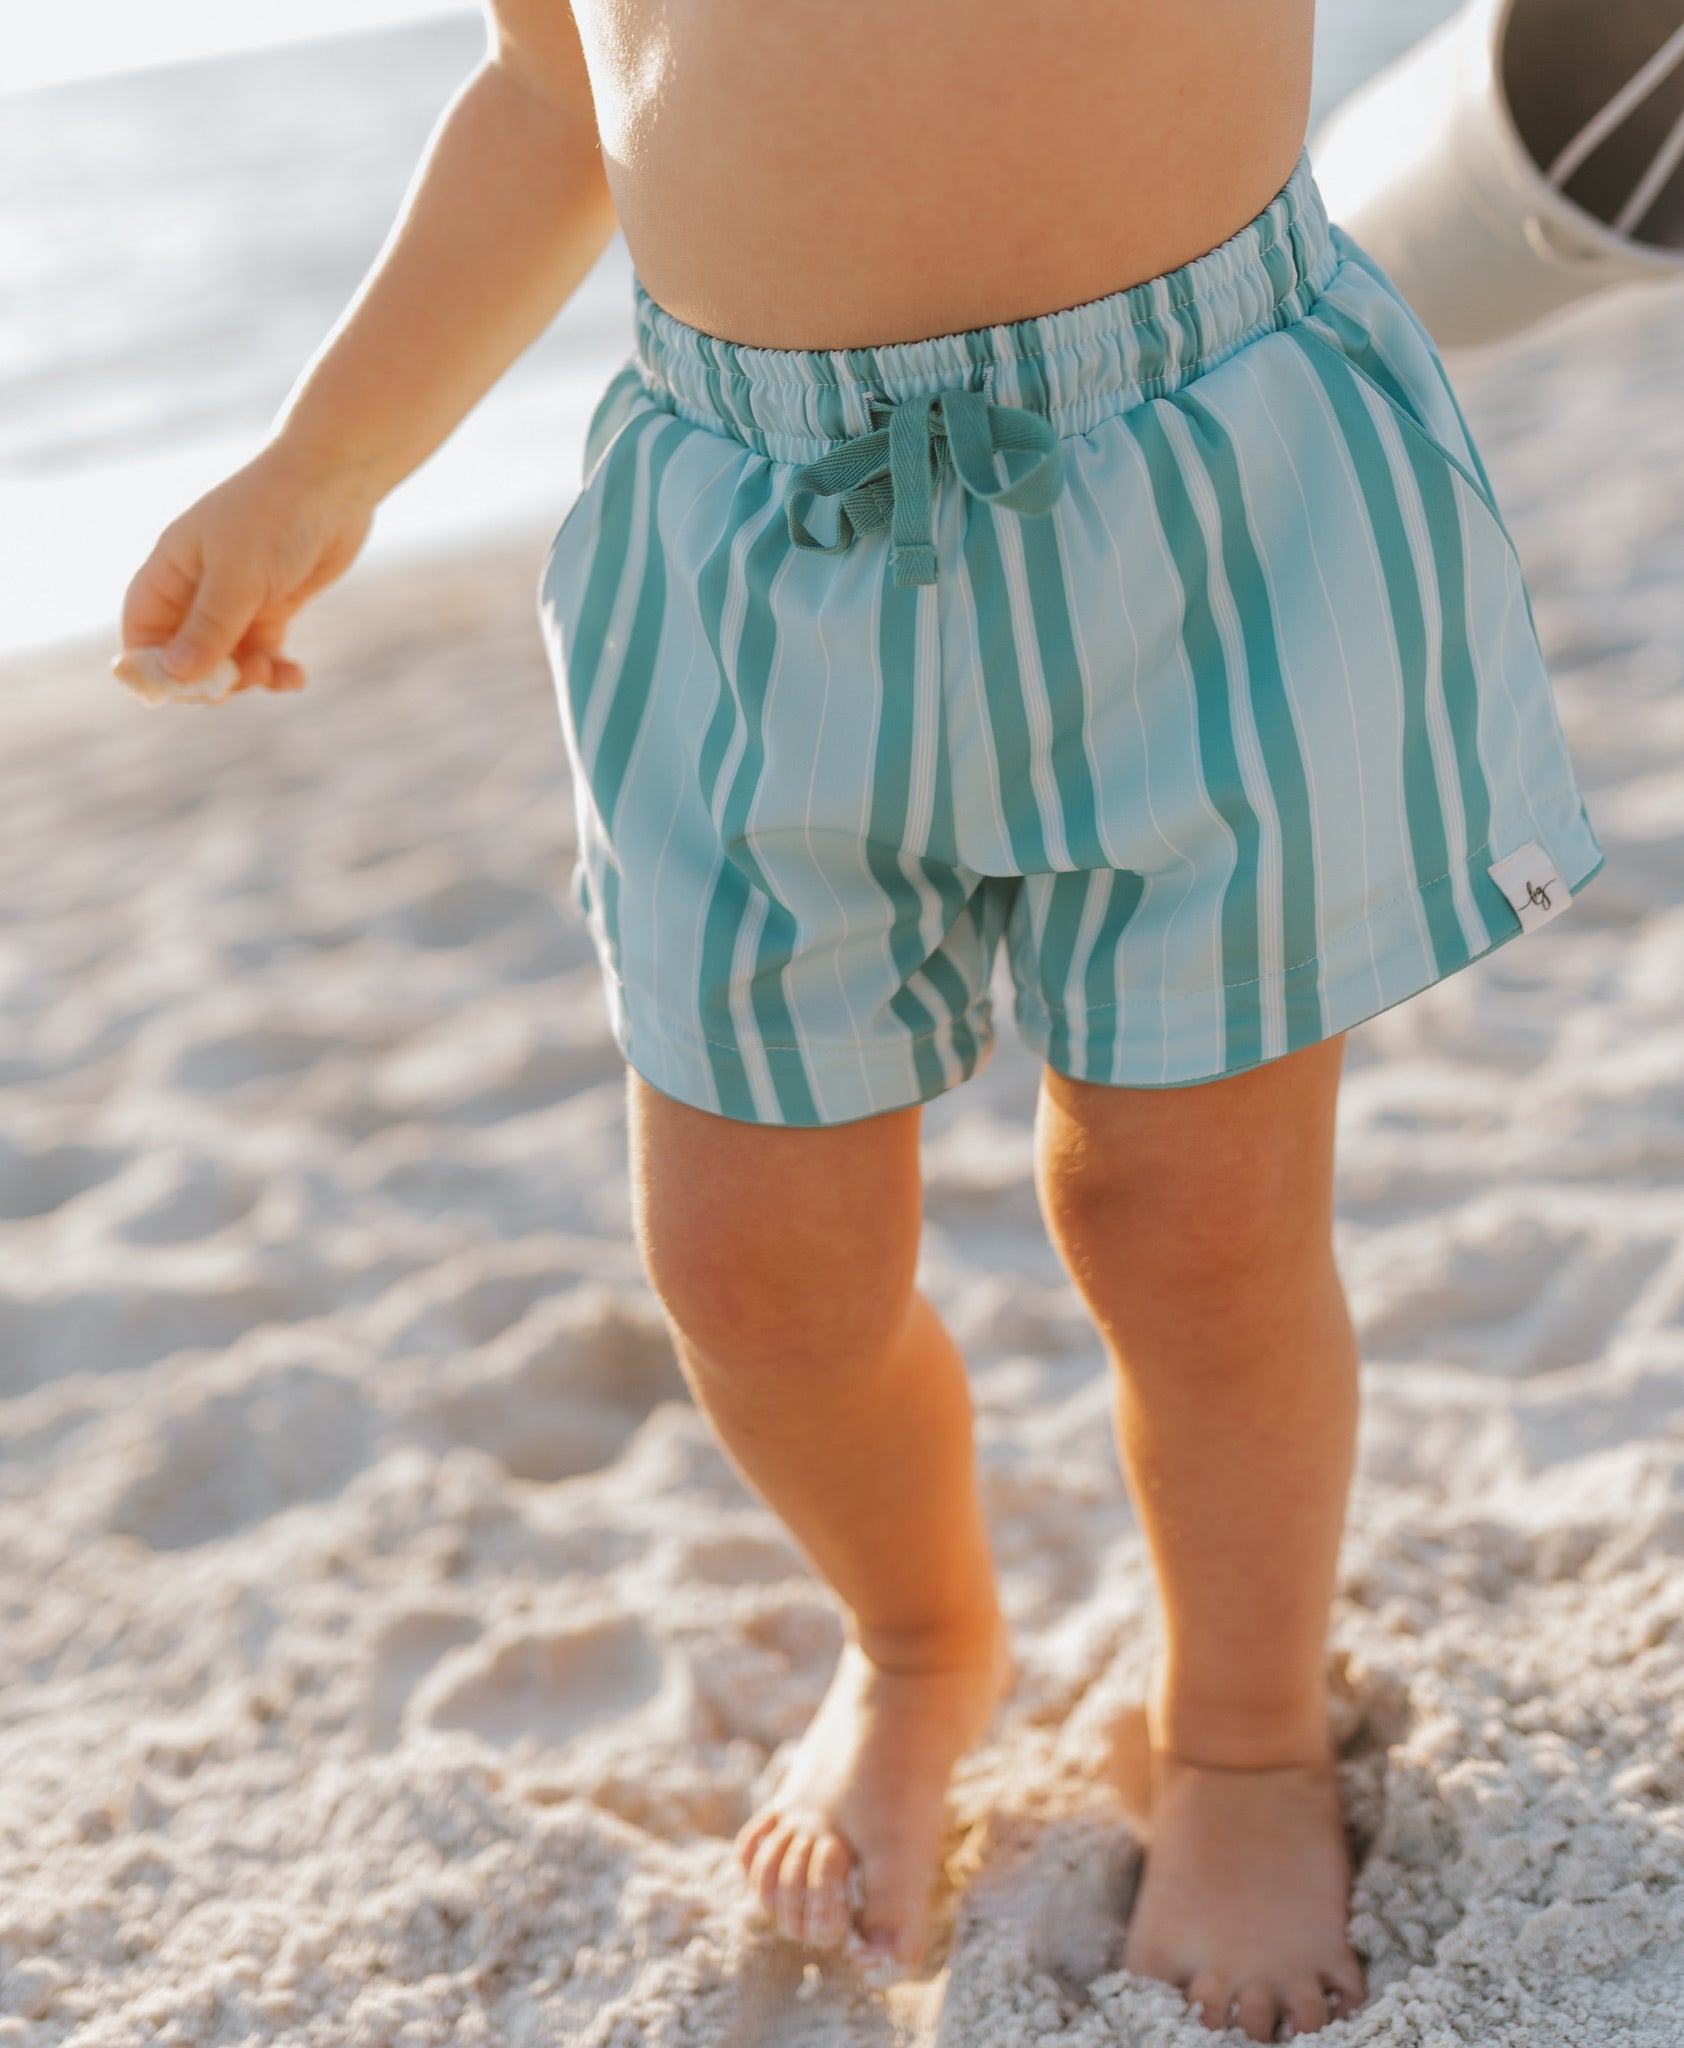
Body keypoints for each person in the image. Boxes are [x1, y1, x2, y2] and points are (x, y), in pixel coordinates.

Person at [115, 2, 1603, 2038]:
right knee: (750, 1269)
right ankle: (914, 1638)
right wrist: (322, 464)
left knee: (1192, 1223)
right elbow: (558, 92)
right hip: (750, 554)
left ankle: (1243, 1736)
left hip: (1204, 492)